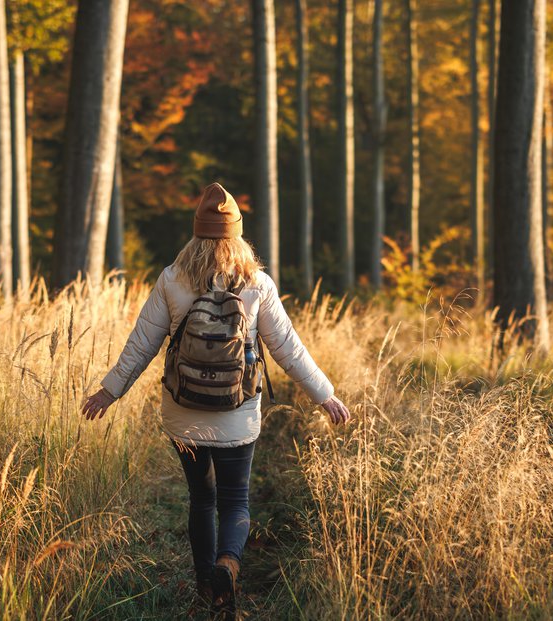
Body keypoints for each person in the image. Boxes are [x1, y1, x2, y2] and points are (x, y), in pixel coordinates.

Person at [80, 182, 350, 618]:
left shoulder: (172, 279)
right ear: (238, 235)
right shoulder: (256, 284)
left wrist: (109, 391)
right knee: (236, 501)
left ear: (196, 233)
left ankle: (205, 585)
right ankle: (229, 563)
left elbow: (141, 345)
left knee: (201, 500)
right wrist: (326, 395)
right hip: (238, 415)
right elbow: (288, 349)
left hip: (182, 413)